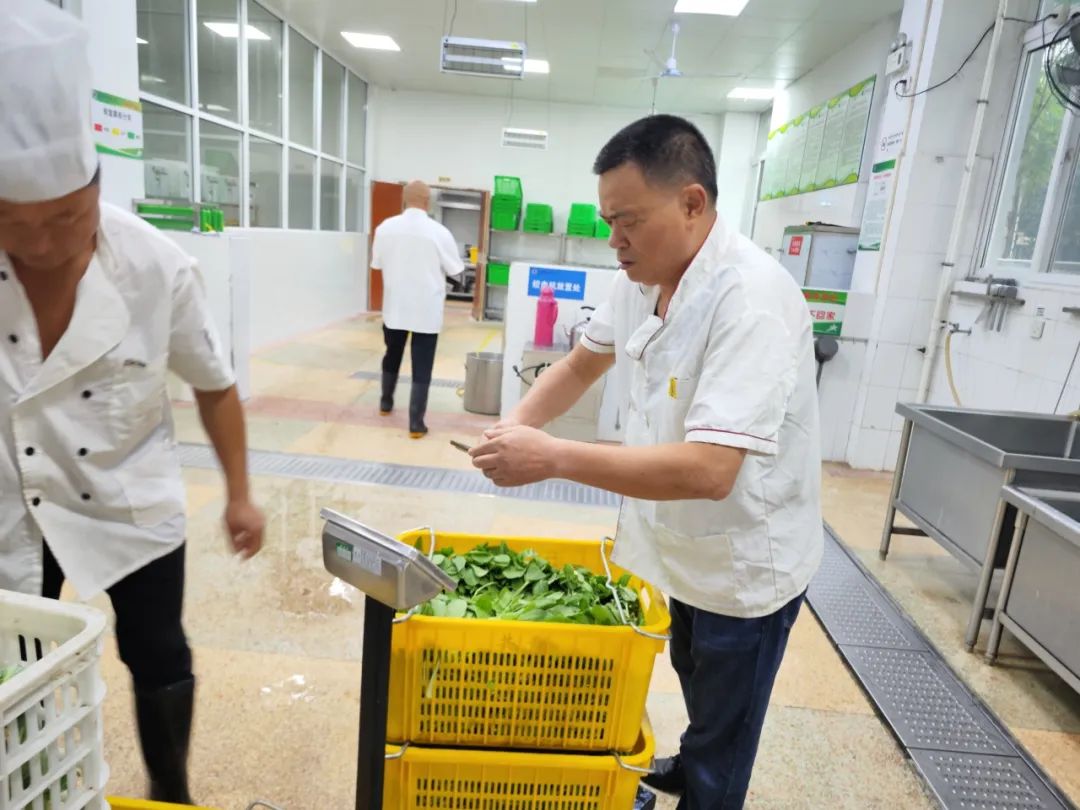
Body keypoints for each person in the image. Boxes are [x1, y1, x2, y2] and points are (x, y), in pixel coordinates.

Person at [470, 115, 823, 809]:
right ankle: (693, 766)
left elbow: (709, 471)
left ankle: (708, 787)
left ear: (693, 203)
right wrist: (510, 428)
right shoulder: (640, 277)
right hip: (680, 544)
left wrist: (552, 457)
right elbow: (579, 364)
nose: (614, 238)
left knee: (727, 725)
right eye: (608, 219)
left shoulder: (750, 300)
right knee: (695, 679)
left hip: (745, 560)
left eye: (627, 219)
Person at [0, 1, 265, 802]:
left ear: (98, 183)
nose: (43, 244)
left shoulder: (156, 268)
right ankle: (32, 784)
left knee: (158, 651)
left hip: (127, 494)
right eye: (14, 223)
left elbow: (215, 388)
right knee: (19, 659)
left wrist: (242, 495)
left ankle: (170, 791)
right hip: (16, 495)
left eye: (66, 218)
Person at [370, 180, 464, 438]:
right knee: (422, 365)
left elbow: (376, 263)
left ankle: (385, 403)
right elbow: (457, 270)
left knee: (392, 353)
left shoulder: (385, 228)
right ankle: (415, 424)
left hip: (395, 307)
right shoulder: (439, 232)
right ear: (427, 201)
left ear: (403, 199)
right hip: (426, 310)